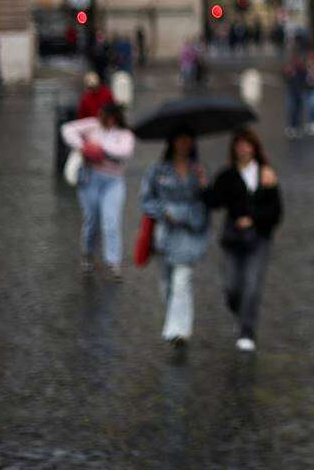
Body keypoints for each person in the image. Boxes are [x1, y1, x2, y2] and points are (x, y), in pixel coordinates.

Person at [205, 128, 283, 352]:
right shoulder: (227, 175)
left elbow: (276, 212)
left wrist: (253, 219)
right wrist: (203, 184)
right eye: (239, 144)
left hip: (259, 238)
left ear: (255, 148)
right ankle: (242, 314)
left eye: (247, 144)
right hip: (233, 239)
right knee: (231, 287)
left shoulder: (266, 174)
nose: (243, 148)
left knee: (251, 284)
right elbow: (214, 201)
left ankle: (247, 330)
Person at [140, 128, 210, 348]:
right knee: (167, 284)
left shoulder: (198, 170)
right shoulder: (157, 170)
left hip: (189, 232)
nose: (183, 144)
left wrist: (203, 185)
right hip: (165, 234)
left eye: (187, 140)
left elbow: (206, 202)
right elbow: (146, 200)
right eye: (180, 139)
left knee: (182, 280)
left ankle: (178, 330)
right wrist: (163, 211)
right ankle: (178, 322)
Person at [60, 104, 136, 279]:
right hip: (90, 179)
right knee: (91, 220)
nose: (103, 119)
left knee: (112, 220)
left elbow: (124, 151)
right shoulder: (92, 125)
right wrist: (82, 145)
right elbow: (67, 129)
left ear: (115, 117)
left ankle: (114, 262)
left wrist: (99, 149)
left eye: (107, 116)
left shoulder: (125, 134)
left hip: (113, 182)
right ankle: (87, 254)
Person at [283, 47, 308, 140]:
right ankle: (292, 126)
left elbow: (305, 80)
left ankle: (297, 126)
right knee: (292, 110)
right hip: (292, 92)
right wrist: (288, 73)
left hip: (300, 92)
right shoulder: (290, 69)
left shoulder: (302, 69)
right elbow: (285, 79)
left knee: (298, 110)